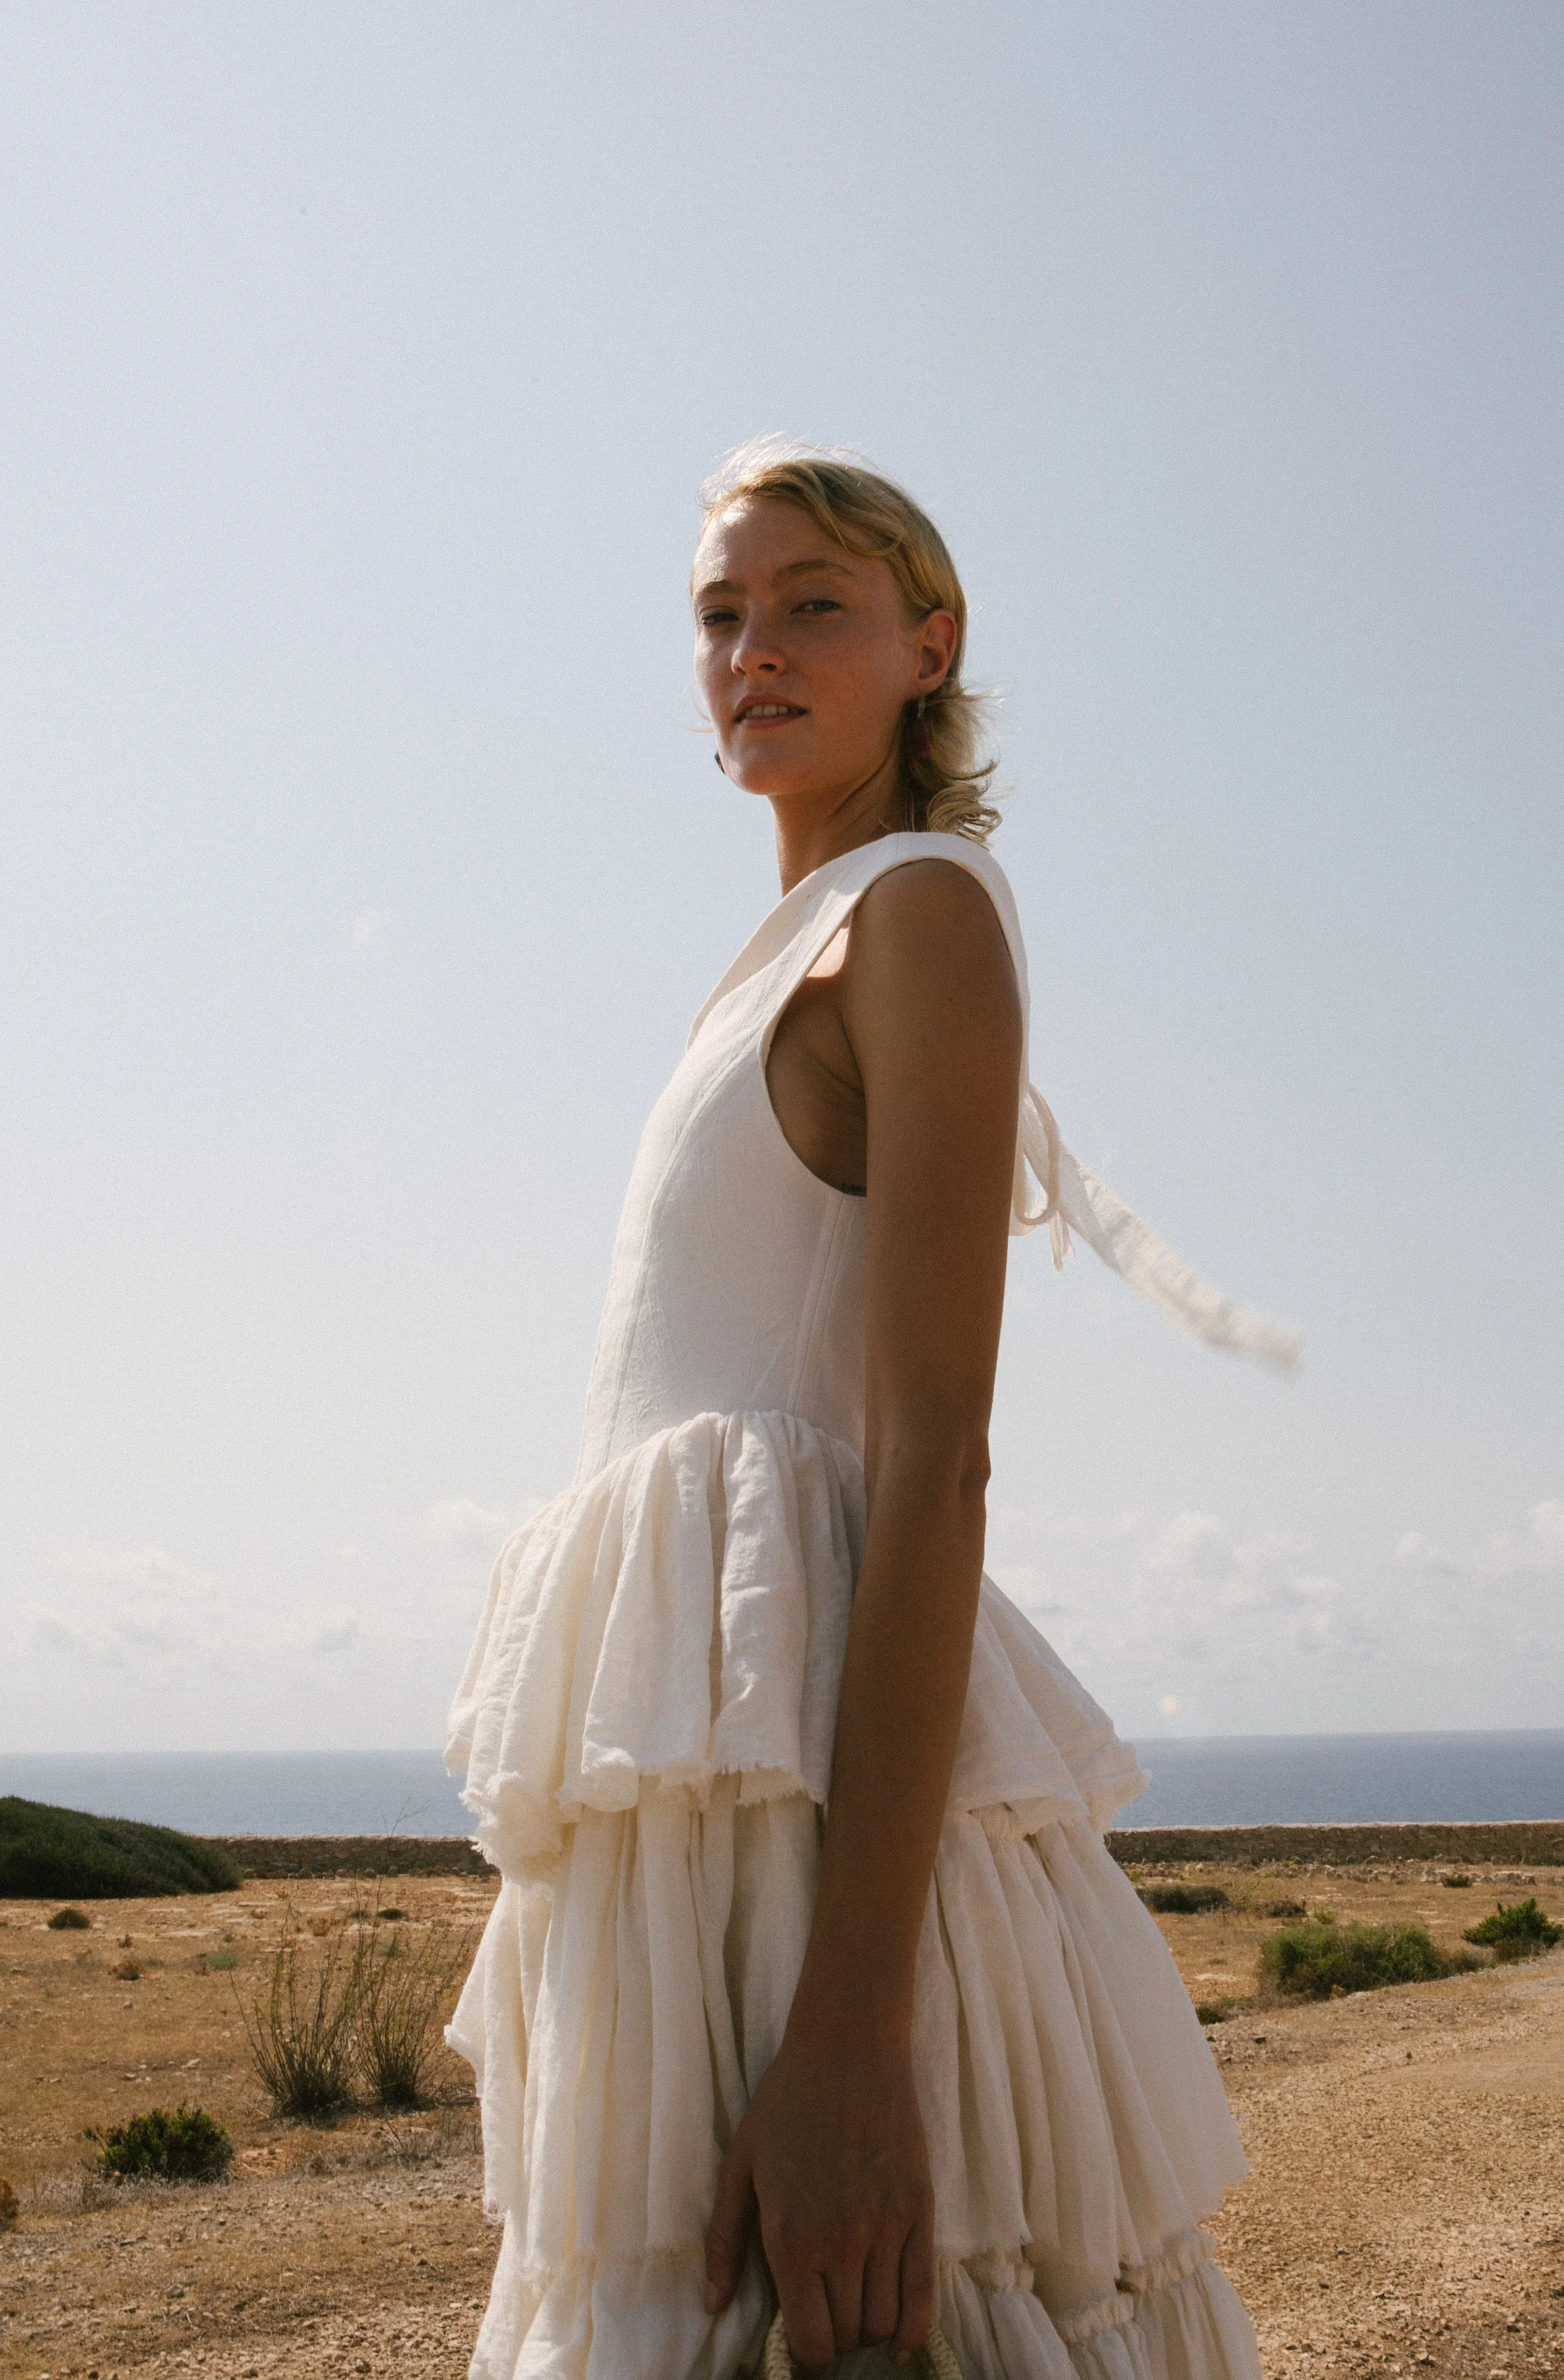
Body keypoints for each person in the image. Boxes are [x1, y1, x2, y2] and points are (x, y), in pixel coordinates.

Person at [447, 442, 1294, 2380]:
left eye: (810, 601)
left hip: (821, 1862)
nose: (751, 648)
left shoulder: (916, 913)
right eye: (717, 614)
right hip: (711, 1848)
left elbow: (934, 1457)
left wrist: (849, 2037)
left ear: (931, 641)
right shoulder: (763, 969)